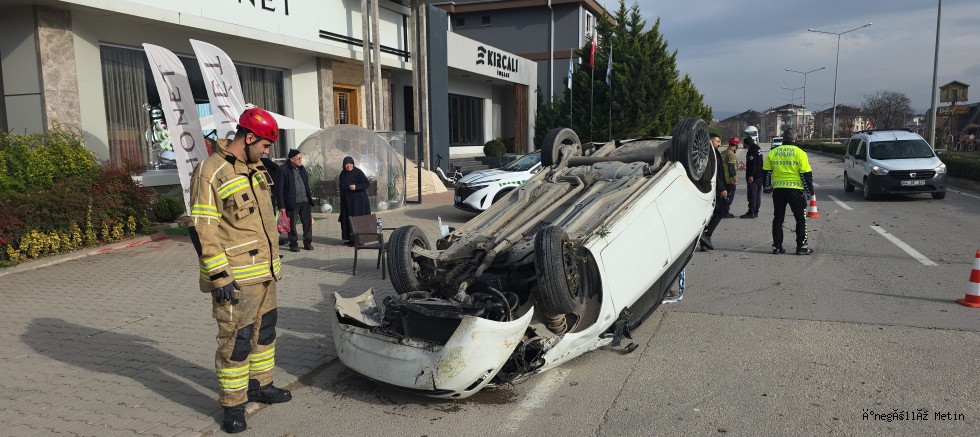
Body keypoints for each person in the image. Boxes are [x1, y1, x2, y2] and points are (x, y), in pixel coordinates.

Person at [187, 107, 291, 434]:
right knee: (236, 339)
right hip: (236, 279)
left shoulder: (256, 168)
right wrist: (219, 276)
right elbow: (203, 227)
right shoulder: (210, 171)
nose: (267, 151)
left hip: (266, 273)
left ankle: (260, 384)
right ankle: (232, 404)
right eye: (264, 144)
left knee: (265, 332)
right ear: (248, 137)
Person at [762, 130, 815, 255]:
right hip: (795, 190)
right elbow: (806, 174)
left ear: (783, 138)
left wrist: (767, 187)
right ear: (795, 138)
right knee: (800, 218)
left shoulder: (773, 152)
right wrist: (809, 191)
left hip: (778, 190)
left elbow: (766, 172)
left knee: (778, 218)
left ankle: (777, 246)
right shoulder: (800, 153)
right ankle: (801, 247)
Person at [276, 149, 315, 252]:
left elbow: (306, 184)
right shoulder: (283, 169)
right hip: (292, 202)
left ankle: (307, 243)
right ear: (292, 159)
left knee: (307, 224)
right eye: (299, 158)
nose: (301, 160)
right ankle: (293, 244)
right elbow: (279, 189)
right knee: (292, 225)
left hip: (305, 201)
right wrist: (281, 206)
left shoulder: (302, 168)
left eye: (301, 158)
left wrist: (309, 198)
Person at [699, 133, 729, 251]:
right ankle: (706, 235)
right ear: (711, 140)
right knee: (722, 210)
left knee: (713, 212)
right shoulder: (709, 153)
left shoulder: (714, 152)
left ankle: (705, 240)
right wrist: (721, 189)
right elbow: (713, 173)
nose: (719, 144)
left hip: (714, 187)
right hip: (712, 187)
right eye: (717, 141)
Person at [338, 156, 371, 245]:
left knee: (357, 220)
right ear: (344, 165)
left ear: (353, 164)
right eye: (346, 164)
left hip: (358, 202)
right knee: (348, 219)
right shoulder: (343, 174)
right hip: (347, 201)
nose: (349, 166)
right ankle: (351, 238)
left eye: (350, 164)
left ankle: (359, 241)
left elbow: (367, 184)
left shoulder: (358, 172)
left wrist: (356, 187)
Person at [740, 136, 764, 218]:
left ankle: (751, 212)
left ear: (746, 144)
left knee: (752, 195)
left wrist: (750, 175)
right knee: (757, 195)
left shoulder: (751, 151)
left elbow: (753, 164)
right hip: (760, 175)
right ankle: (756, 211)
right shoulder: (758, 148)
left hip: (754, 177)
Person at [721, 137, 740, 217]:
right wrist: (735, 179)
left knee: (723, 196)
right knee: (729, 197)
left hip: (722, 178)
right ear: (736, 145)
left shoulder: (723, 152)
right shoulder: (731, 154)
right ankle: (725, 212)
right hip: (729, 180)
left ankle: (722, 211)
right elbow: (731, 168)